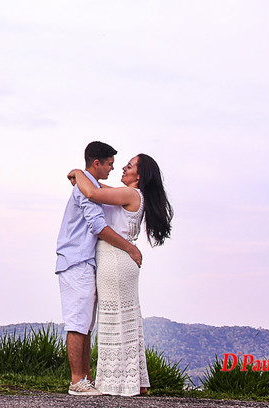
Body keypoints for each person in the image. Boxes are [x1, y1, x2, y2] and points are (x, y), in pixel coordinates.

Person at [68, 153, 173, 397]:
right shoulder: (130, 194)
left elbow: (93, 193)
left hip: (114, 258)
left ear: (140, 175)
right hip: (120, 260)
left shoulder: (130, 194)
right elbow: (96, 187)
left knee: (114, 320)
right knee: (126, 319)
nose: (124, 168)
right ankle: (135, 381)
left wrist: (78, 171)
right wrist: (82, 177)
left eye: (130, 165)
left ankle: (116, 382)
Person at [56, 141, 144, 396]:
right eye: (110, 164)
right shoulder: (87, 189)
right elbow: (97, 225)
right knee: (78, 322)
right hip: (76, 259)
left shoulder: (90, 185)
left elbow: (101, 191)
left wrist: (78, 173)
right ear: (97, 163)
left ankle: (84, 378)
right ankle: (77, 381)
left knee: (86, 323)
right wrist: (130, 248)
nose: (113, 169)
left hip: (85, 260)